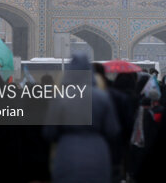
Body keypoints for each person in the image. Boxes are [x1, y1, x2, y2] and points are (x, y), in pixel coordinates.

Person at [43, 53, 120, 183]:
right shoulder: (102, 97)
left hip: (66, 153)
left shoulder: (60, 98)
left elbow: (49, 132)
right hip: (98, 153)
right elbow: (112, 130)